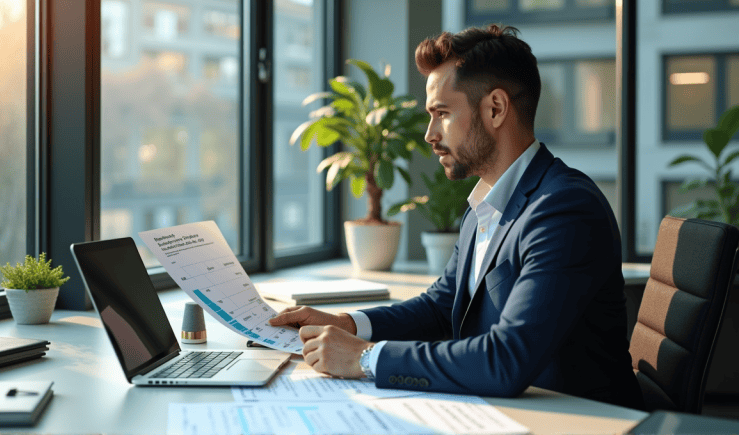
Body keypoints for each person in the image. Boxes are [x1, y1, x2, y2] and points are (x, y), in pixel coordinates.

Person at [269, 24, 644, 410]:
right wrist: (349, 325)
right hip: (508, 412)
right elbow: (441, 307)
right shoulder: (485, 205)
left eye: (442, 113)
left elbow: (506, 359)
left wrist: (365, 358)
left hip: (579, 421)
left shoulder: (563, 209)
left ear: (495, 108)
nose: (430, 134)